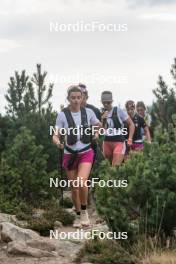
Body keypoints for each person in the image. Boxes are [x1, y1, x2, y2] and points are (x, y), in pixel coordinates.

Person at [53, 85, 101, 228]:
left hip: (86, 151)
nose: (76, 100)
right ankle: (78, 214)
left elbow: (99, 124)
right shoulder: (62, 115)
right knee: (74, 187)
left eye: (78, 97)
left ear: (82, 98)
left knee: (81, 181)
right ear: (68, 99)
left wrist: (97, 134)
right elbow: (56, 134)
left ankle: (85, 212)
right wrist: (57, 142)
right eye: (73, 98)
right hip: (69, 153)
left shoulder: (89, 112)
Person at [101, 91, 135, 166]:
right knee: (107, 168)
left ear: (112, 101)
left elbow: (131, 124)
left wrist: (130, 139)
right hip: (106, 142)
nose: (106, 104)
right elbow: (101, 132)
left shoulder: (119, 111)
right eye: (104, 103)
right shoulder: (102, 112)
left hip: (119, 142)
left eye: (108, 102)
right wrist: (103, 121)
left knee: (115, 168)